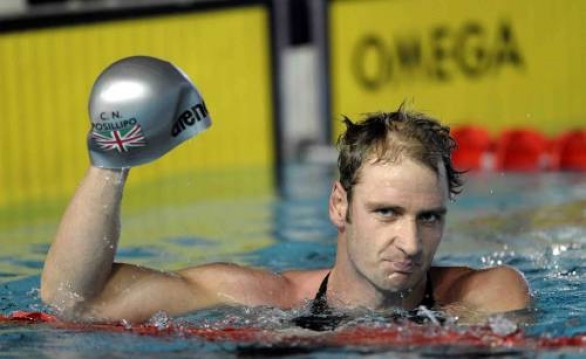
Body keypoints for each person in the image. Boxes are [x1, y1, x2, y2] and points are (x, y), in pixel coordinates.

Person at [40, 57, 530, 328]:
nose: (411, 242)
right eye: (387, 212)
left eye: (429, 217)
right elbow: (75, 301)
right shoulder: (265, 299)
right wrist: (111, 164)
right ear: (340, 206)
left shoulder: (488, 294)